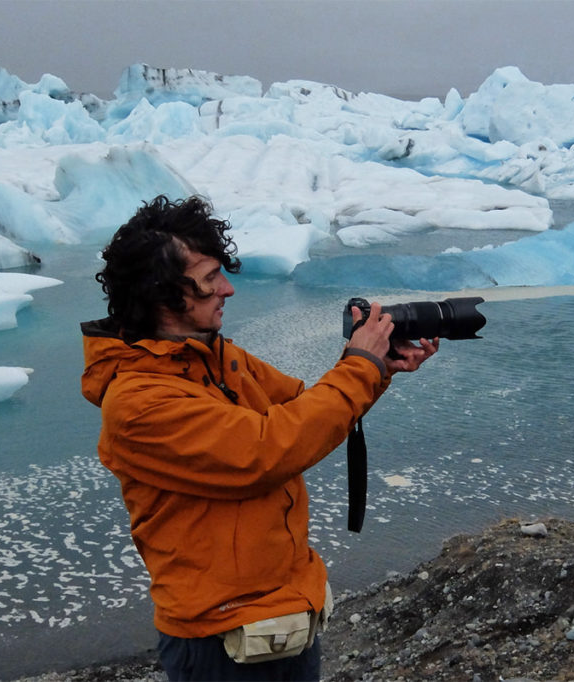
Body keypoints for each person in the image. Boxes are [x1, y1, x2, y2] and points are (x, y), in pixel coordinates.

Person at [80, 195, 437, 681]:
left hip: (282, 613)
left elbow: (307, 412)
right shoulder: (139, 404)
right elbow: (267, 450)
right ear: (164, 296)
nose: (227, 289)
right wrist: (359, 366)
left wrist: (378, 367)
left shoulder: (219, 356)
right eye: (209, 281)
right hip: (220, 638)